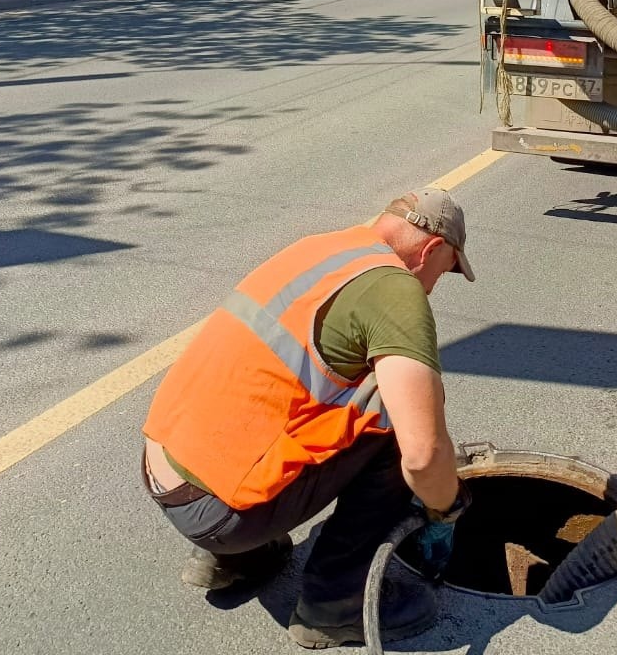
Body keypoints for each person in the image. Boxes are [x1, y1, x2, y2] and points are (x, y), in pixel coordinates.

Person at [141, 188, 474, 648]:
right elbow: (422, 454)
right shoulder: (396, 287)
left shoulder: (324, 248)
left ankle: (234, 558)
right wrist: (444, 508)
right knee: (399, 422)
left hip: (165, 465)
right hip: (216, 509)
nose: (436, 285)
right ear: (433, 249)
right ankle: (333, 607)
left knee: (317, 393)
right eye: (447, 270)